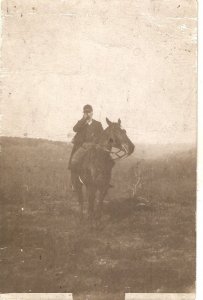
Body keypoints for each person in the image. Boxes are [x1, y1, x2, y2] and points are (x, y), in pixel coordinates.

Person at [68, 104, 103, 190]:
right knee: (74, 161)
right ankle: (74, 183)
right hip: (82, 147)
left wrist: (97, 144)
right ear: (83, 113)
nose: (87, 114)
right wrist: (83, 119)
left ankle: (103, 182)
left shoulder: (97, 124)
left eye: (89, 112)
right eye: (85, 112)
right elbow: (75, 129)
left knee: (104, 160)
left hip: (94, 146)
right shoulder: (81, 123)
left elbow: (102, 136)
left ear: (92, 113)